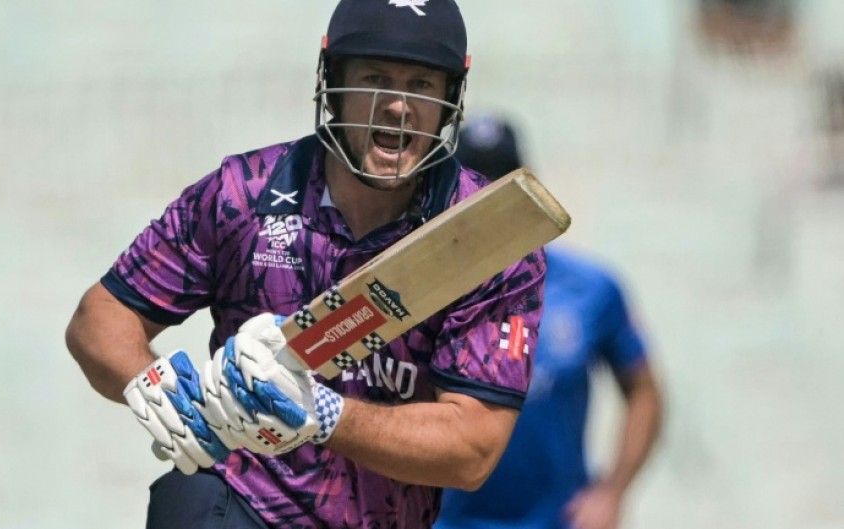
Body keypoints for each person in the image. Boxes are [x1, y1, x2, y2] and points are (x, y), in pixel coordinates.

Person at [65, 3, 547, 528]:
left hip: (380, 517)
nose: (397, 106)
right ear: (332, 81)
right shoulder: (243, 193)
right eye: (375, 79)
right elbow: (101, 316)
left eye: (422, 85)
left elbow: (472, 449)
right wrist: (154, 386)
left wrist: (322, 414)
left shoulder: (485, 239)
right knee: (191, 499)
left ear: (451, 97)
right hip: (242, 499)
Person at [434, 114, 664, 529]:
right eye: (473, 186)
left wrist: (612, 492)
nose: (487, 201)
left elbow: (643, 392)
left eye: (502, 185)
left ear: (530, 189)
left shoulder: (591, 288)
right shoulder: (424, 294)